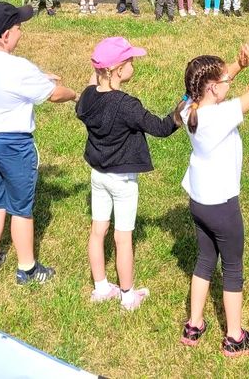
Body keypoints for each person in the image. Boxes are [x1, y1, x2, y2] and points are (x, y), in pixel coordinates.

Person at [0, 2, 77, 283]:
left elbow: (11, 77)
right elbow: (54, 95)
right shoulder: (19, 68)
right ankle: (27, 268)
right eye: (18, 29)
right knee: (21, 207)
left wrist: (39, 76)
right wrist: (74, 94)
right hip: (13, 145)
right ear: (6, 35)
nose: (21, 33)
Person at [177, 43, 249, 357]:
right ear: (213, 89)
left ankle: (194, 323)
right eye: (225, 81)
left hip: (198, 200)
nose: (230, 81)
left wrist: (237, 66)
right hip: (222, 205)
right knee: (232, 268)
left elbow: (215, 80)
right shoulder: (218, 116)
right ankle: (234, 336)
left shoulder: (188, 107)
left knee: (204, 260)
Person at [76, 37, 179, 310]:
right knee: (123, 237)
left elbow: (87, 96)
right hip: (122, 180)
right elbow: (160, 127)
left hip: (98, 175)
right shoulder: (127, 105)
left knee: (98, 231)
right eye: (131, 60)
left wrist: (97, 73)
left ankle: (100, 288)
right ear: (119, 70)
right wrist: (179, 114)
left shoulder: (87, 97)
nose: (134, 63)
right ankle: (128, 296)